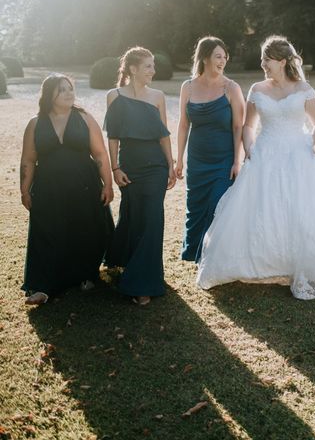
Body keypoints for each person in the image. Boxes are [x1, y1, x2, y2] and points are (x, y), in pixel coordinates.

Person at [196, 35, 315, 299]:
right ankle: (267, 262)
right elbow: (249, 126)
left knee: (302, 209)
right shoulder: (257, 90)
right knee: (264, 208)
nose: (262, 63)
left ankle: (302, 261)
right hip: (265, 153)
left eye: (266, 59)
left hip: (298, 154)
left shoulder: (303, 89)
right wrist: (249, 148)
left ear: (282, 61)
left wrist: (308, 144)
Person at [20, 74, 114, 305]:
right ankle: (42, 287)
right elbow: (28, 160)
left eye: (70, 88)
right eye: (62, 89)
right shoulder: (35, 123)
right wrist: (24, 190)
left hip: (84, 185)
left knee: (85, 229)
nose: (69, 93)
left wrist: (108, 185)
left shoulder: (83, 118)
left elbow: (100, 154)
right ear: (49, 94)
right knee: (47, 233)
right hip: (48, 188)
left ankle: (86, 275)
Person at [104, 47, 176, 306]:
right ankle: (123, 258)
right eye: (148, 66)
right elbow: (112, 136)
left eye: (153, 65)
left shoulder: (158, 96)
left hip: (155, 166)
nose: (153, 71)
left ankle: (143, 282)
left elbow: (163, 134)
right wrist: (115, 168)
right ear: (133, 69)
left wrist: (170, 164)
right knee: (133, 214)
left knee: (152, 219)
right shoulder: (114, 96)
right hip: (129, 166)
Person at [175, 37, 245, 262]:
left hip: (223, 159)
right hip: (197, 159)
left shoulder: (231, 88)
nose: (223, 60)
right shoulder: (188, 86)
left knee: (217, 206)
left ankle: (212, 257)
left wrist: (237, 160)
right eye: (218, 56)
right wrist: (179, 159)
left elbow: (238, 127)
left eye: (225, 57)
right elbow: (183, 125)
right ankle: (195, 252)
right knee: (195, 206)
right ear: (205, 57)